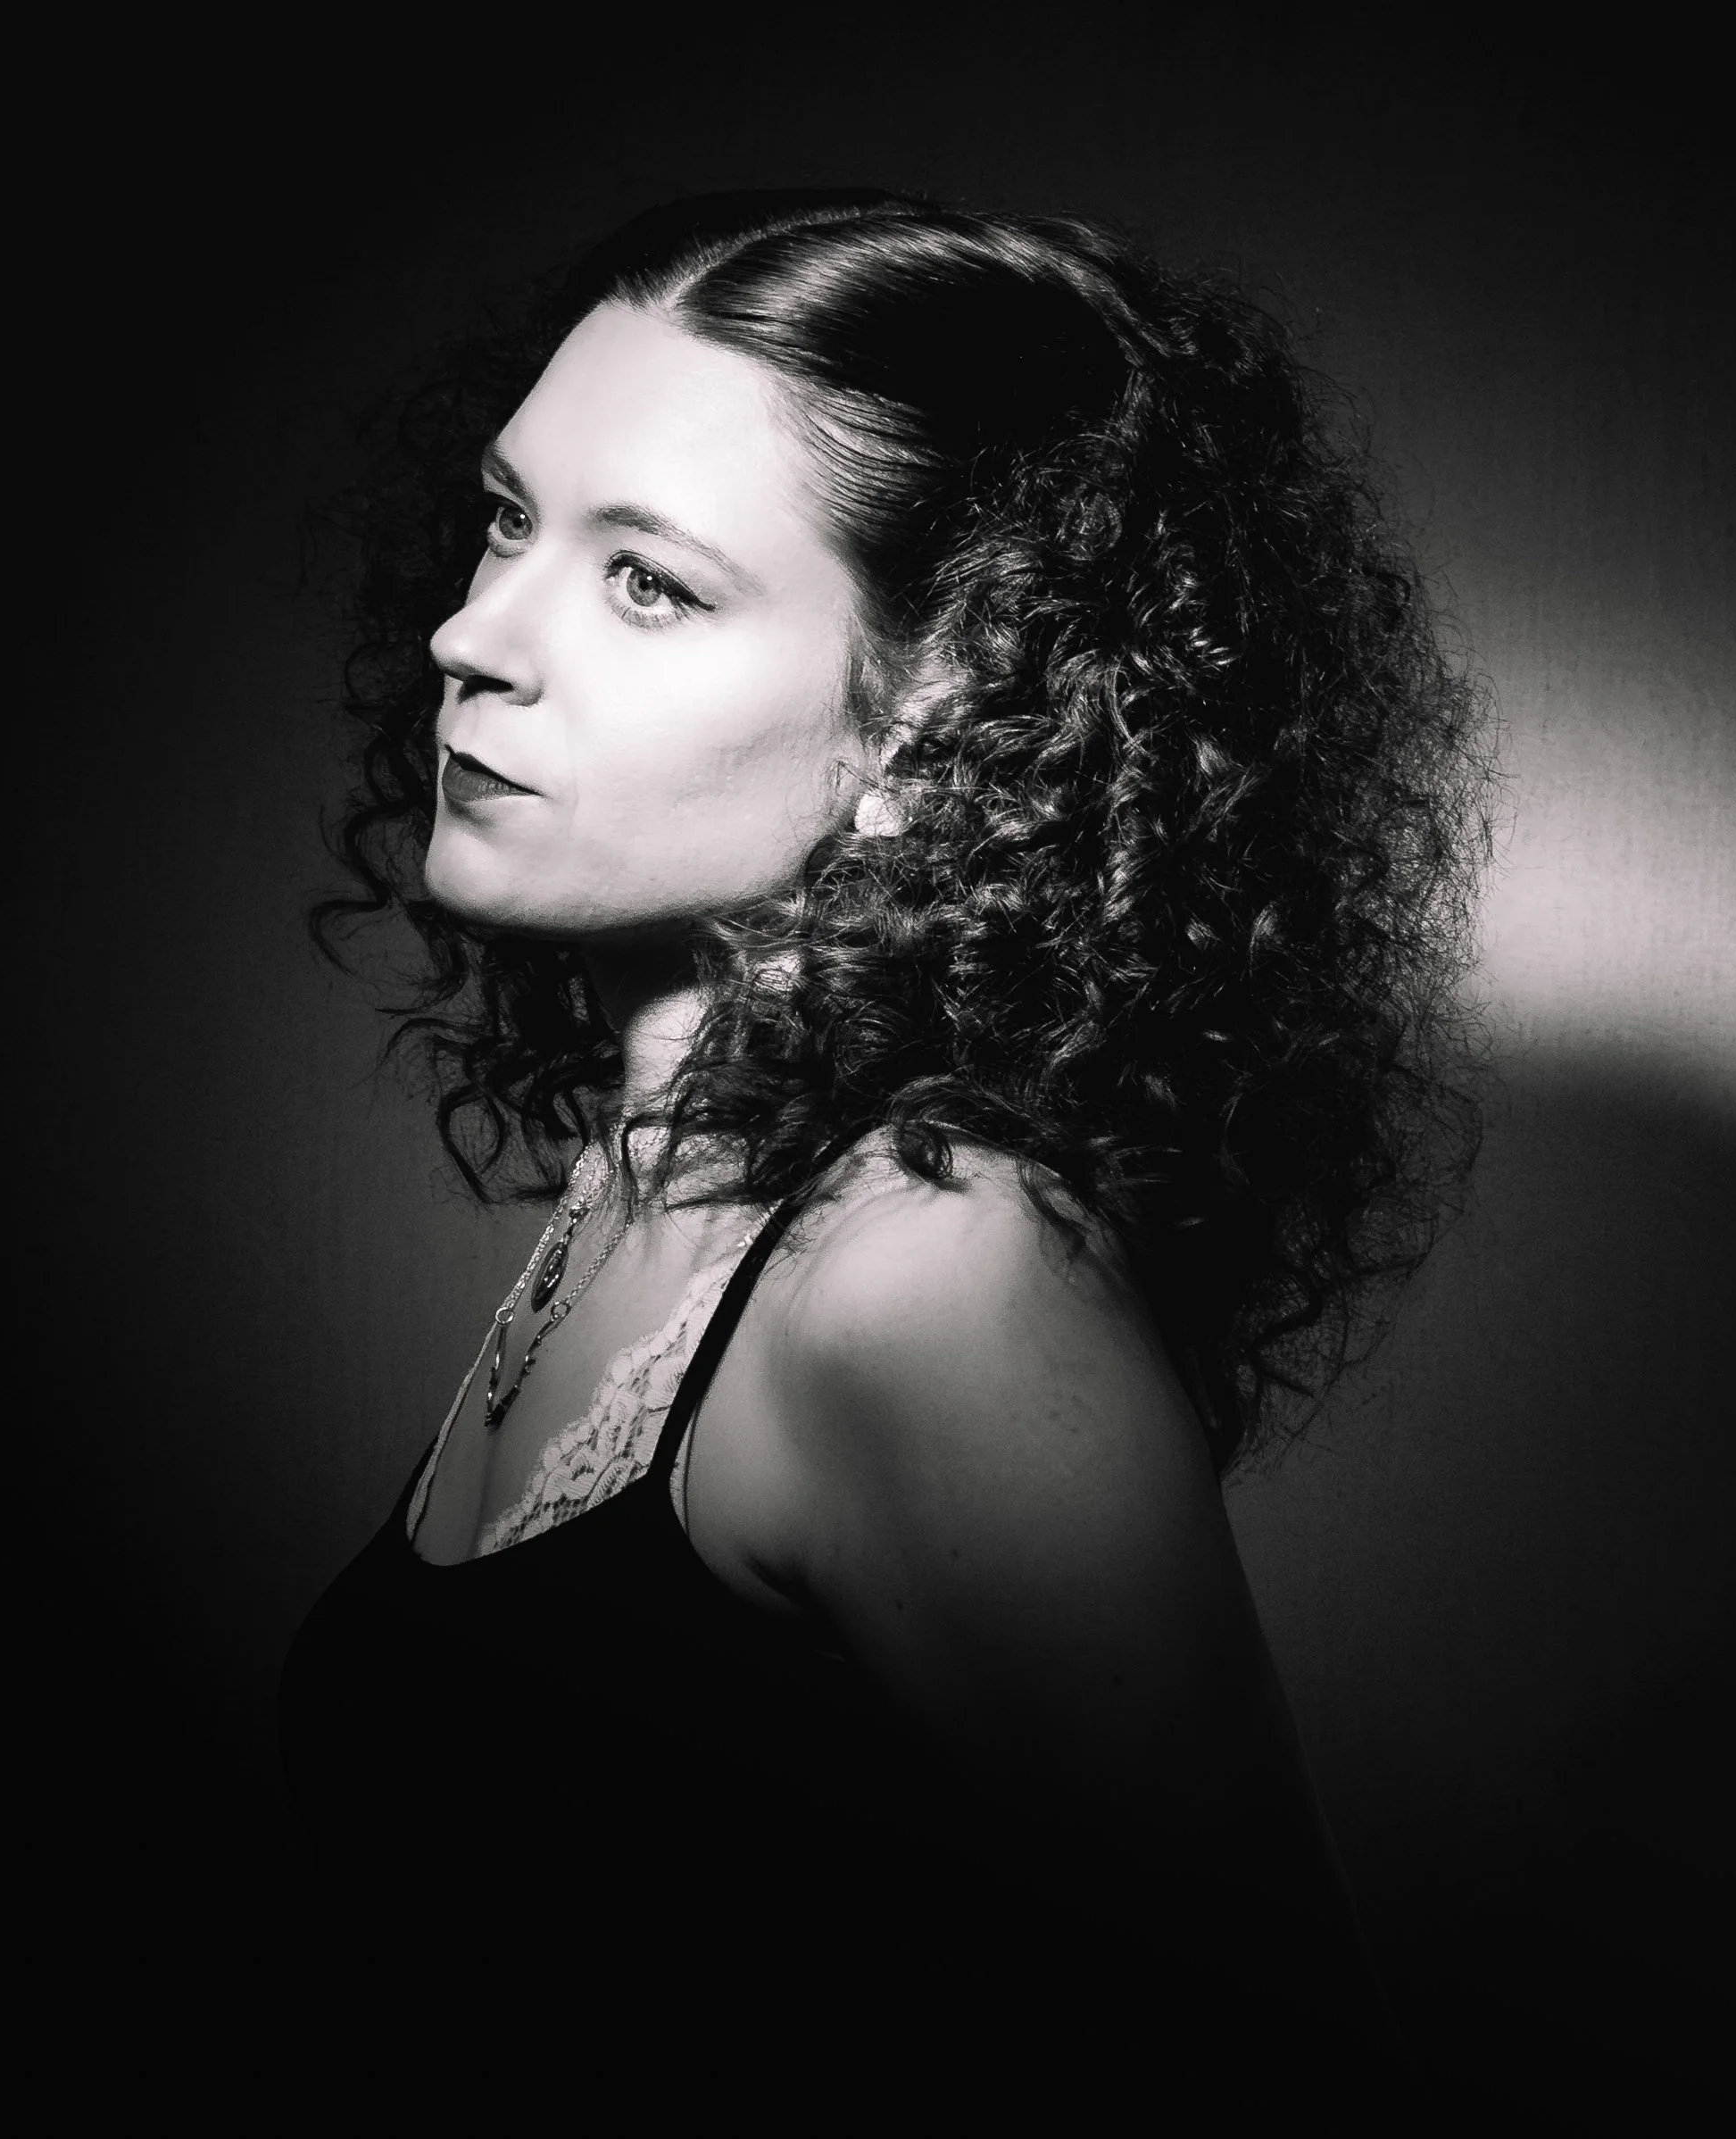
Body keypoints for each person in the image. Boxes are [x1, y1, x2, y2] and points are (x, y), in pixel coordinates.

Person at [281, 188, 1484, 2121]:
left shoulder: (929, 1274)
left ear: (938, 709)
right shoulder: (648, 1183)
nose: (468, 633)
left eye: (646, 581)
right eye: (512, 520)